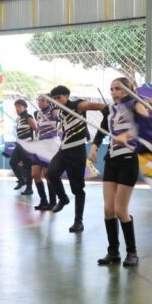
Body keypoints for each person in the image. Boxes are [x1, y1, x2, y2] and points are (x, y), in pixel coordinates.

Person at [89, 78, 143, 267]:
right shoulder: (112, 110)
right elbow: (103, 128)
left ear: (128, 90)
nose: (114, 92)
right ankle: (113, 252)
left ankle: (132, 252)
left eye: (118, 89)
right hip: (112, 160)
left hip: (129, 159)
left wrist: (126, 136)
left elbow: (144, 127)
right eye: (111, 89)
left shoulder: (137, 105)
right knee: (108, 209)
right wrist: (95, 146)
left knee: (121, 210)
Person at [46, 86, 106, 233]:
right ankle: (63, 198)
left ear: (67, 96)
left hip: (77, 151)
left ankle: (78, 221)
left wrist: (107, 111)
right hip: (63, 150)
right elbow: (57, 115)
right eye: (54, 99)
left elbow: (97, 106)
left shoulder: (77, 105)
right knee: (51, 173)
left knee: (78, 189)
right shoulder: (60, 111)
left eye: (58, 97)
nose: (56, 101)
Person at [31, 96, 60, 211]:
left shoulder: (53, 111)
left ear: (49, 102)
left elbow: (59, 115)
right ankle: (43, 200)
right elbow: (38, 128)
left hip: (50, 145)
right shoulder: (37, 114)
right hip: (39, 145)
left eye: (42, 100)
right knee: (35, 174)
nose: (39, 102)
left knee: (48, 174)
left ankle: (53, 202)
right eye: (38, 100)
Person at [10, 100, 36, 195]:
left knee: (28, 167)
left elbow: (36, 129)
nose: (17, 108)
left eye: (19, 106)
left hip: (27, 145)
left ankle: (29, 188)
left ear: (25, 107)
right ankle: (21, 180)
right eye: (16, 106)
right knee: (12, 162)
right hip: (20, 144)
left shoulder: (28, 117)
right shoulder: (19, 119)